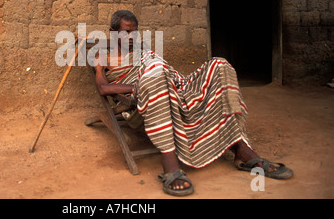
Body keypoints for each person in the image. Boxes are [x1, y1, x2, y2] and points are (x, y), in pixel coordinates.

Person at [93, 10, 293, 196]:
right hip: (148, 94)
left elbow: (164, 70)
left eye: (135, 32)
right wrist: (138, 86)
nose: (131, 37)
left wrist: (164, 77)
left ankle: (241, 149)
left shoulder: (143, 50)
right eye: (126, 32)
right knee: (155, 75)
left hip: (175, 86)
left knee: (220, 65)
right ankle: (170, 164)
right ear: (113, 33)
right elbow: (103, 88)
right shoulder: (103, 56)